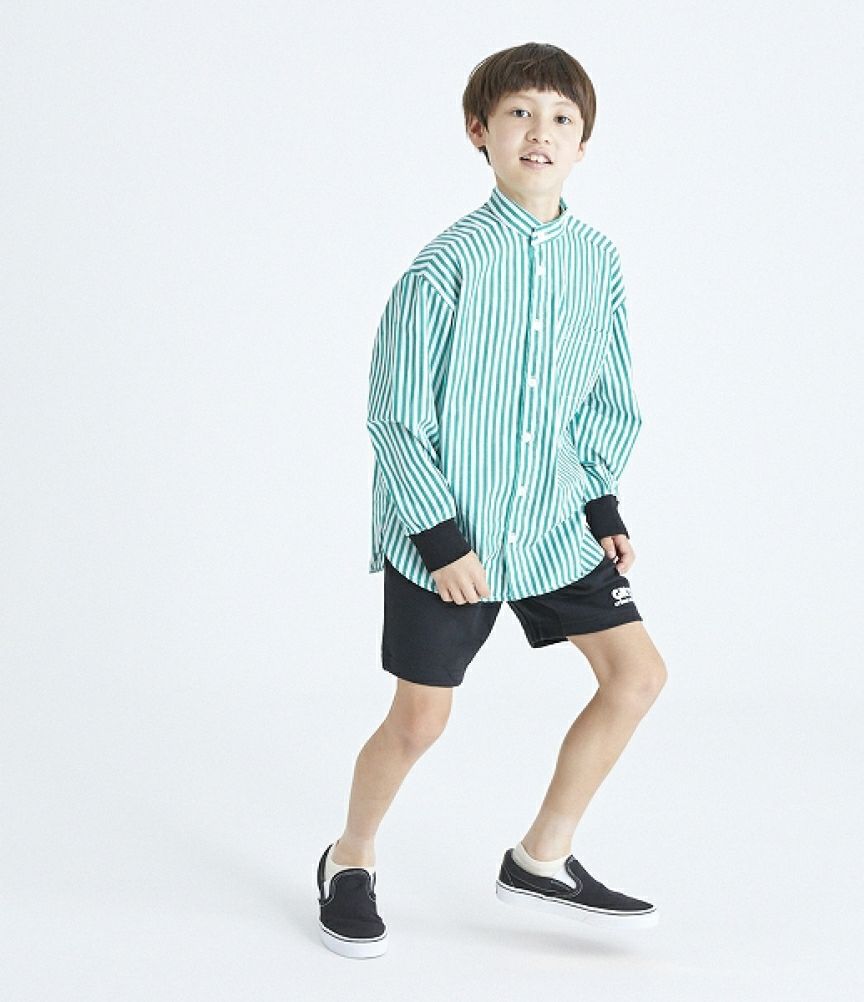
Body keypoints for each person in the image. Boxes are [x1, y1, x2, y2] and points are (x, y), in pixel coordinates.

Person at [317, 41, 669, 959]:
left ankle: (541, 857)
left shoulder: (598, 263)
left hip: (551, 524)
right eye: (519, 113)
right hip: (449, 534)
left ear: (584, 142)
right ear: (480, 131)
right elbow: (395, 416)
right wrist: (440, 541)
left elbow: (605, 398)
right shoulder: (445, 267)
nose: (539, 132)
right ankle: (349, 859)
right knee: (420, 720)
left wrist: (601, 508)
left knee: (637, 676)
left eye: (560, 117)